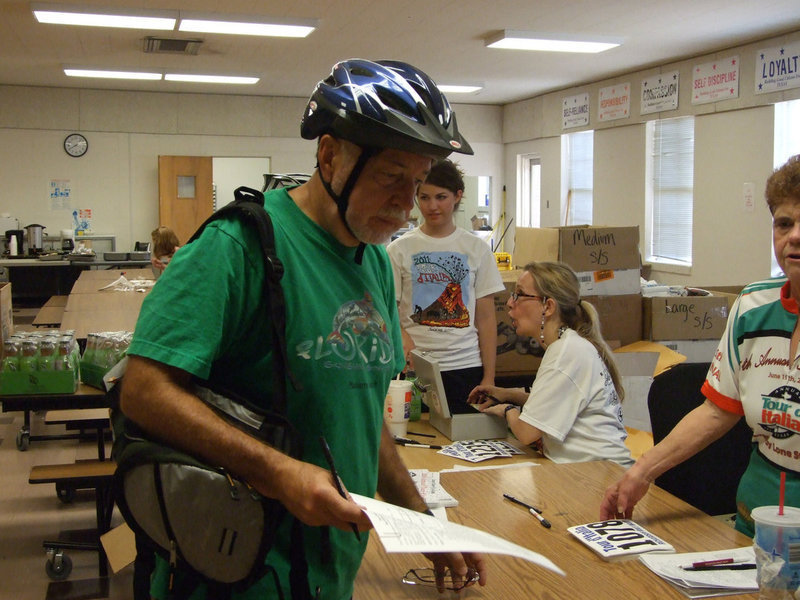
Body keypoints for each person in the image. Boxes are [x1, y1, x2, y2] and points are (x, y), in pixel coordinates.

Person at [119, 59, 487, 600]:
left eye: (418, 182)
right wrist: (279, 473)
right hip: (232, 568)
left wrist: (420, 517)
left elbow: (360, 416)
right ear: (330, 155)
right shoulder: (237, 247)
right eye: (391, 177)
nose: (407, 205)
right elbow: (143, 391)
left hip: (325, 570)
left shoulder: (375, 263)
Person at [600, 154, 800, 537]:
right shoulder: (752, 306)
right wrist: (640, 472)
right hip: (759, 503)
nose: (794, 236)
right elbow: (717, 411)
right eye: (784, 223)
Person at [468, 261, 633, 466]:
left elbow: (527, 433)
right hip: (590, 470)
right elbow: (556, 403)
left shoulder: (566, 353)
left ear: (548, 306)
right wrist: (509, 394)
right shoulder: (568, 346)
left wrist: (507, 409)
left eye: (519, 294)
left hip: (598, 475)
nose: (510, 302)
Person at [387, 159, 504, 413]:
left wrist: (489, 377)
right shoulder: (399, 249)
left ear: (457, 196)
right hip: (414, 369)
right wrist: (403, 337)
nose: (432, 206)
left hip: (464, 367)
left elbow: (485, 319)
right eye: (424, 197)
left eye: (441, 197)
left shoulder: (477, 249)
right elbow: (389, 308)